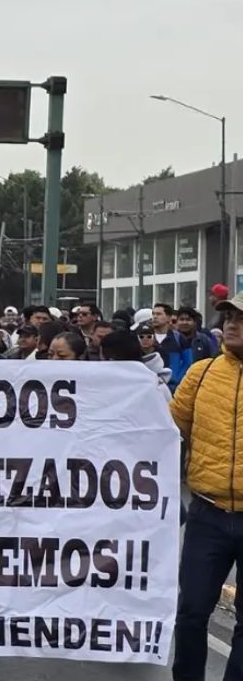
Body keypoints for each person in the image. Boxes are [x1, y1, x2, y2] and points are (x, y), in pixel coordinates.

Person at [170, 291, 243, 680]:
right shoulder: (200, 375)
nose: (231, 323)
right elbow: (165, 431)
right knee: (191, 612)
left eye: (241, 318)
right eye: (229, 315)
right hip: (206, 514)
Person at [99, 330, 171, 402]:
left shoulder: (155, 386)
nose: (100, 363)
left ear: (111, 360)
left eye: (102, 359)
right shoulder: (157, 385)